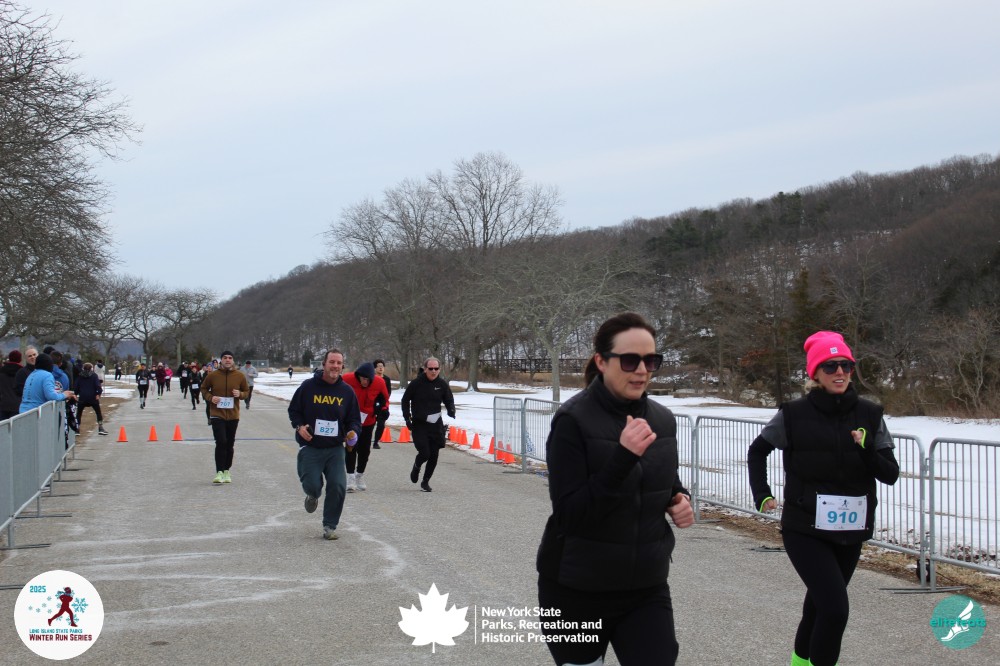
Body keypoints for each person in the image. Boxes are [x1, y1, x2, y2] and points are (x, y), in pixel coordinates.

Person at [535, 312, 694, 666]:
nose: (642, 370)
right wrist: (623, 456)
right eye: (630, 360)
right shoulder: (572, 421)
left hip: (645, 587)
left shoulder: (663, 420)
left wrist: (678, 498)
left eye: (651, 360)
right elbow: (571, 515)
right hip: (577, 590)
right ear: (601, 362)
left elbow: (662, 479)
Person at [747, 331, 900, 666]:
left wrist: (866, 450)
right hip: (805, 527)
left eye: (846, 365)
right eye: (830, 366)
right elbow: (757, 452)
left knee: (818, 605)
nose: (840, 372)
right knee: (835, 609)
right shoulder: (793, 414)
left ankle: (800, 662)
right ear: (815, 373)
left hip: (850, 529)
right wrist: (762, 494)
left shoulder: (870, 414)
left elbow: (890, 474)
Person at [287, 349, 360, 540]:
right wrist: (299, 426)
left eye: (339, 363)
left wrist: (353, 433)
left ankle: (330, 526)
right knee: (312, 485)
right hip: (311, 446)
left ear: (342, 366)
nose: (335, 366)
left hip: (335, 448)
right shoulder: (308, 387)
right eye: (332, 362)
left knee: (338, 486)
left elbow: (354, 420)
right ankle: (312, 495)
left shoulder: (347, 392)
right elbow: (294, 410)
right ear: (324, 364)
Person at [400, 357, 455, 492]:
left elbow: (448, 398)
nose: (433, 371)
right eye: (430, 369)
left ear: (439, 369)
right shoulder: (416, 384)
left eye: (436, 369)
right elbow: (405, 400)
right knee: (425, 453)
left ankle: (425, 481)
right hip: (419, 424)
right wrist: (407, 417)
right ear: (425, 369)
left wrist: (451, 409)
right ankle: (417, 466)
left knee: (434, 454)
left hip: (435, 424)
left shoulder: (441, 384)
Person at [201, 351, 248, 484]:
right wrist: (211, 398)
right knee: (221, 441)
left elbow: (246, 392)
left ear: (233, 360)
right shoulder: (213, 375)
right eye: (225, 358)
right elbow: (204, 389)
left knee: (229, 443)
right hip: (217, 414)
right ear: (221, 360)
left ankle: (227, 470)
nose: (228, 360)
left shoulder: (239, 376)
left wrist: (240, 394)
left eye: (230, 358)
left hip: (233, 415)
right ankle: (219, 472)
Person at [342, 362, 389, 492]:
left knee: (364, 450)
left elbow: (385, 399)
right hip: (351, 420)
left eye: (368, 380)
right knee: (351, 446)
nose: (365, 382)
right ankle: (350, 477)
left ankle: (359, 475)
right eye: (363, 379)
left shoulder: (379, 382)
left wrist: (384, 409)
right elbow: (336, 392)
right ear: (358, 376)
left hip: (368, 420)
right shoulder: (347, 379)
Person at [74, 362, 108, 435]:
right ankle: (100, 427)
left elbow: (76, 386)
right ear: (91, 368)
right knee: (98, 412)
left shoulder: (80, 376)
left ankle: (77, 428)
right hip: (93, 397)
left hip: (82, 397)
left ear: (83, 368)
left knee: (79, 413)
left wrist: (75, 394)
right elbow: (98, 386)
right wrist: (98, 393)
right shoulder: (94, 376)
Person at [372, 359, 391, 449]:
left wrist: (384, 404)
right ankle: (365, 439)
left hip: (382, 404)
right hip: (372, 404)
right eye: (378, 366)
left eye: (382, 366)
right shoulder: (371, 378)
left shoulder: (387, 379)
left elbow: (388, 393)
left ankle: (376, 442)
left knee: (381, 425)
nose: (380, 368)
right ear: (375, 368)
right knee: (369, 424)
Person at [0, 350, 23, 420]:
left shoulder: (1, 371)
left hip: (3, 404)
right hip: (17, 405)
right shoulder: (22, 372)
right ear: (20, 359)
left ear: (9, 358)